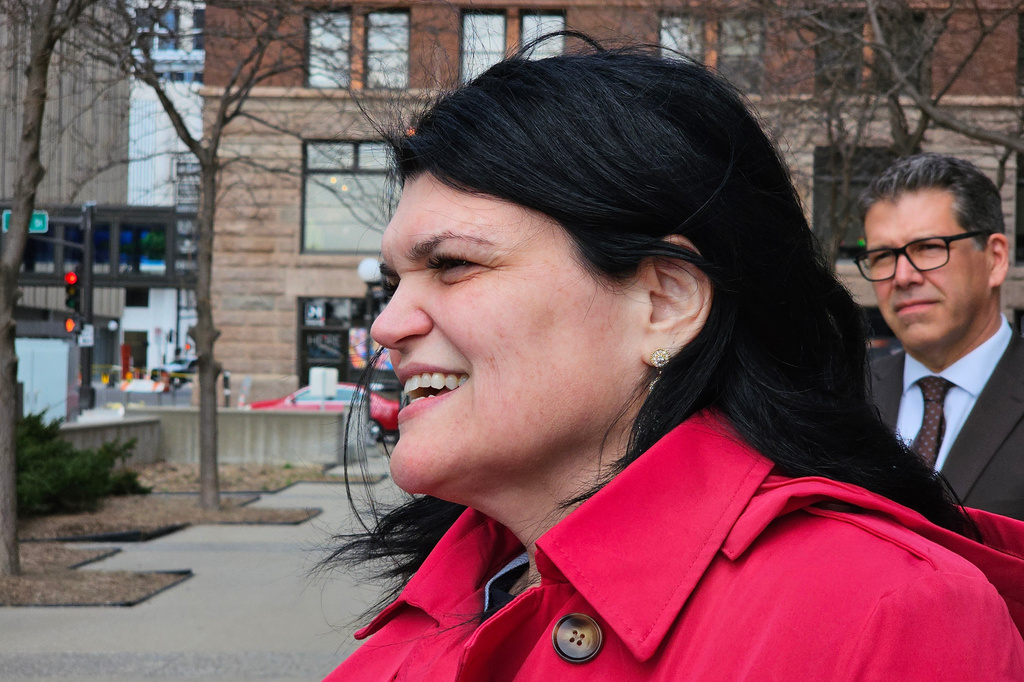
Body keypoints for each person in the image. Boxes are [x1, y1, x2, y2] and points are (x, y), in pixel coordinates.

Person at [322, 47, 1024, 681]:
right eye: (394, 281)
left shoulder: (887, 614)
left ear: (664, 302)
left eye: (453, 264)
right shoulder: (443, 602)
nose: (387, 325)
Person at [858, 153, 1024, 519]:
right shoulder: (845, 398)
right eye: (883, 256)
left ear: (995, 259)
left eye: (929, 248)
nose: (903, 276)